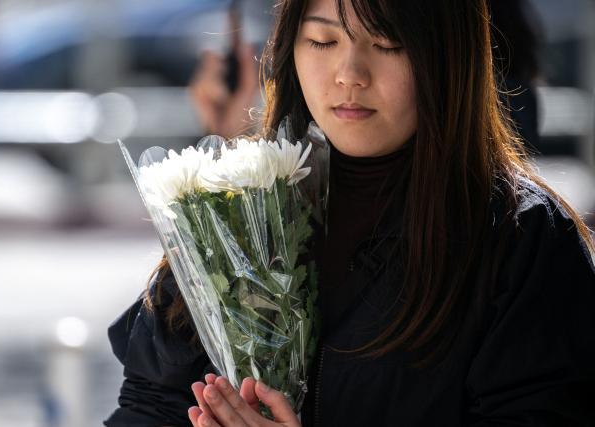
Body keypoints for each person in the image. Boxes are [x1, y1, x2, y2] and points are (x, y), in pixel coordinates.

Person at [104, 0, 595, 426]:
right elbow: (149, 401)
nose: (349, 74)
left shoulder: (524, 241)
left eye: (387, 44)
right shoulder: (237, 204)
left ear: (449, 55)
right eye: (322, 40)